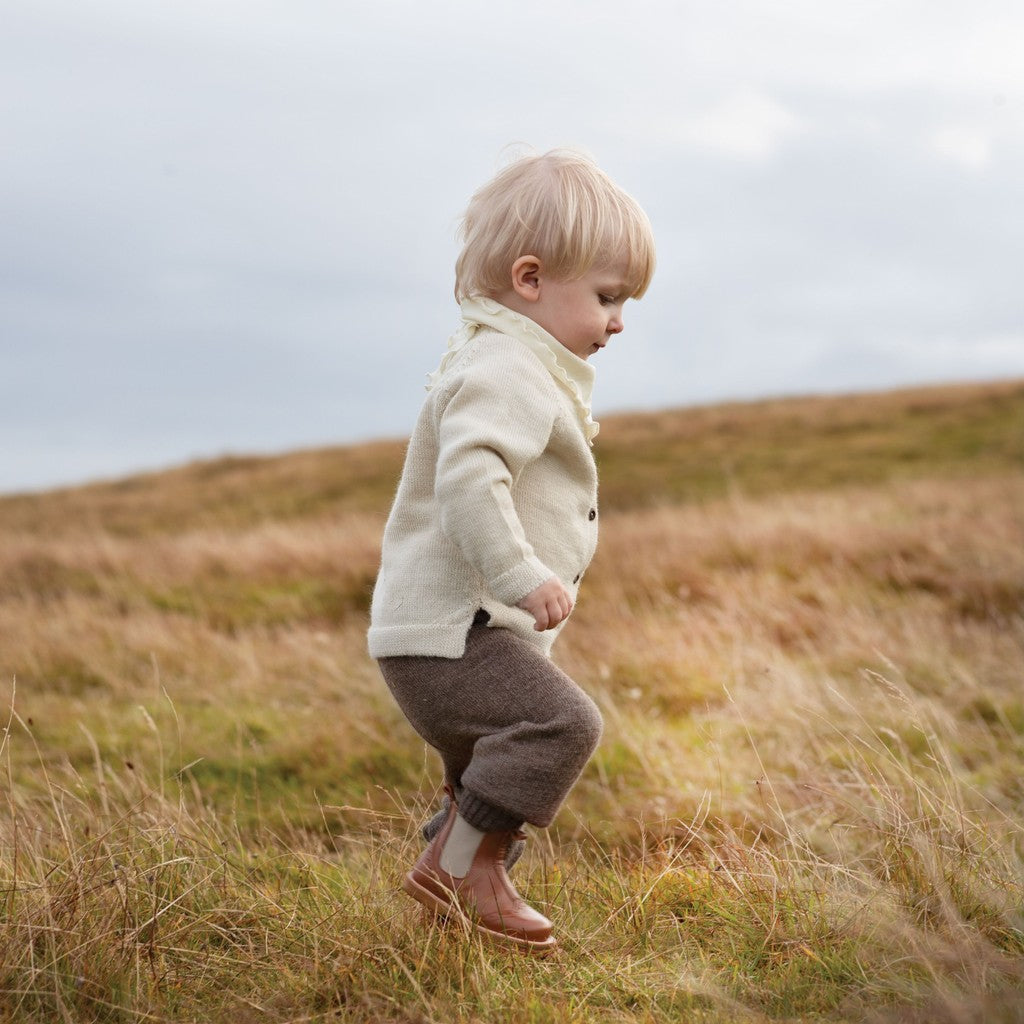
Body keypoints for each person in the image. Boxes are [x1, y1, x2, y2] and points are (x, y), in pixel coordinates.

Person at [368, 149, 656, 953]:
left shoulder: (505, 359)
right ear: (530, 280)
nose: (618, 321)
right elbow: (470, 480)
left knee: (486, 776)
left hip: (441, 634)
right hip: (455, 632)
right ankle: (459, 870)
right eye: (606, 297)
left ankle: (457, 885)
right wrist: (518, 574)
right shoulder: (508, 367)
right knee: (560, 724)